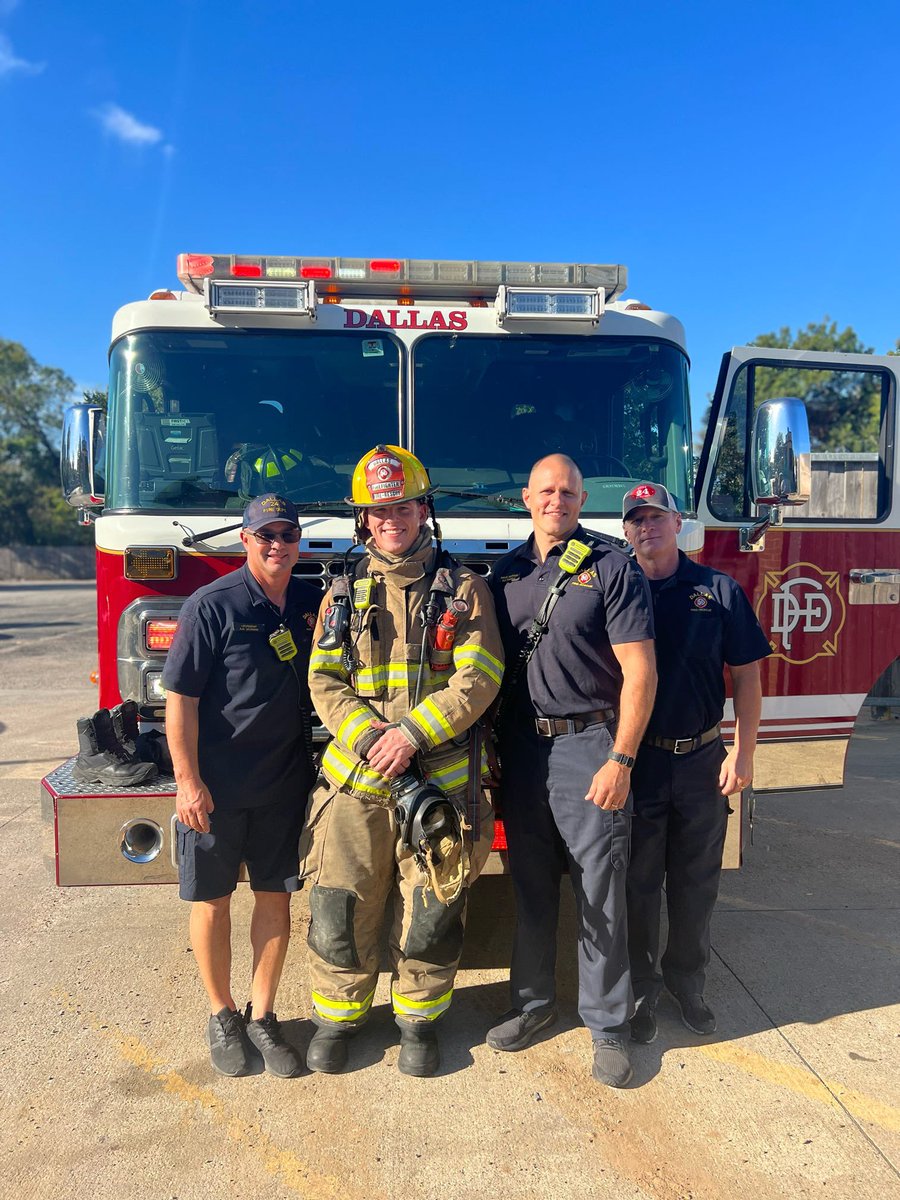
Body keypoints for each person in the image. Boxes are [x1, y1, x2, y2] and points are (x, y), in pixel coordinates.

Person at [301, 444, 504, 1077]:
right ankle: (339, 1019)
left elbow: (480, 676)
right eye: (379, 509)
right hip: (357, 782)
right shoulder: (341, 592)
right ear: (365, 519)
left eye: (405, 505)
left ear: (424, 511)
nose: (393, 518)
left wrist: (410, 735)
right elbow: (324, 680)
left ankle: (418, 1021)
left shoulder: (464, 588)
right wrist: (372, 740)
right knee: (341, 904)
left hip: (441, 785)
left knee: (432, 910)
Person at [486, 454, 657, 1088]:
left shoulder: (613, 568)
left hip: (591, 745)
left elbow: (640, 672)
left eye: (569, 491)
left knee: (600, 892)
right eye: (546, 490)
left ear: (583, 500)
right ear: (526, 498)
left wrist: (621, 758)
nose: (557, 500)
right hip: (523, 753)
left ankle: (609, 1026)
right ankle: (532, 1006)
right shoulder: (504, 574)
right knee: (530, 887)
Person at [163, 494, 320, 1078]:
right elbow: (181, 699)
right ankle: (222, 1014)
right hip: (217, 787)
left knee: (275, 897)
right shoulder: (213, 605)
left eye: (288, 534)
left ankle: (264, 1015)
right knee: (213, 901)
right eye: (265, 536)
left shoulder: (310, 602)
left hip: (283, 784)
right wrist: (188, 783)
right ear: (245, 541)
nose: (278, 545)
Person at [621, 481, 770, 1043]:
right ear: (627, 530)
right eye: (637, 519)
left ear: (678, 522)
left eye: (658, 516)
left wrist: (745, 750)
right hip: (636, 762)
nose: (648, 527)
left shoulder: (718, 590)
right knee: (636, 883)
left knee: (695, 882)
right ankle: (639, 989)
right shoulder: (617, 590)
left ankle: (687, 982)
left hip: (702, 760)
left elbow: (749, 674)